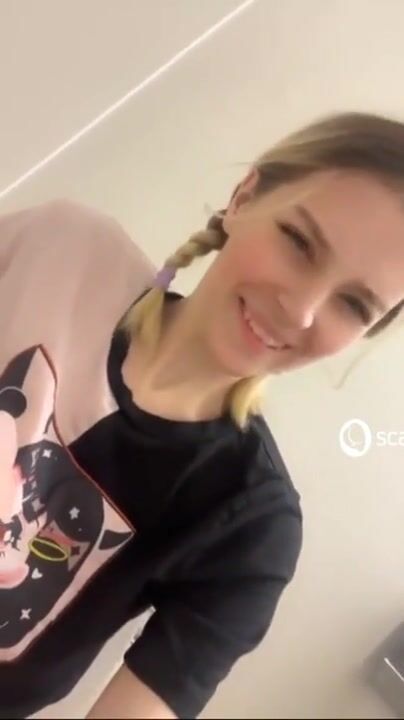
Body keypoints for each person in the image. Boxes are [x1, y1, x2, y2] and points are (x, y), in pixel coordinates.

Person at [1, 111, 404, 720]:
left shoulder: (252, 525)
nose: (300, 311)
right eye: (299, 243)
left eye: (352, 304)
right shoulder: (63, 252)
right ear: (244, 198)